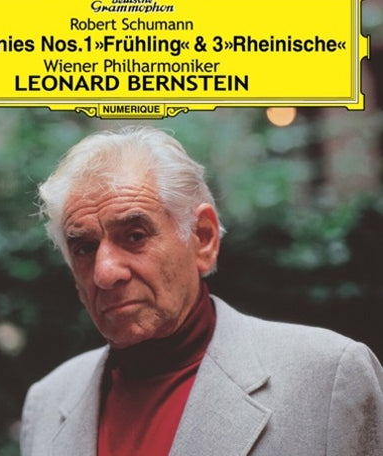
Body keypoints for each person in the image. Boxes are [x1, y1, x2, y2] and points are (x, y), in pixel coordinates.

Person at [21, 126, 383, 456]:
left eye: (134, 236)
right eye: (84, 248)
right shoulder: (47, 403)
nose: (105, 273)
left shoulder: (327, 377)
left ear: (203, 238)